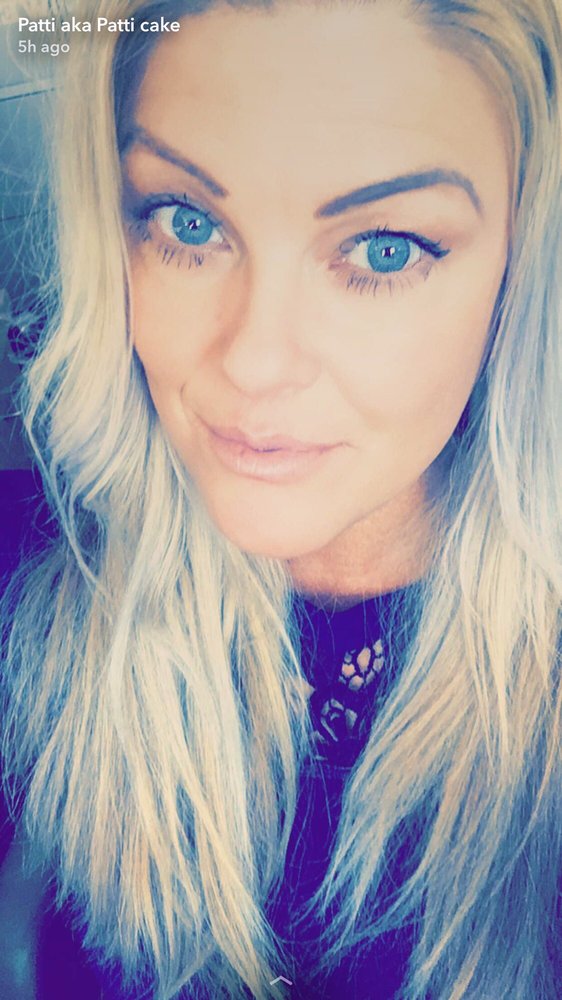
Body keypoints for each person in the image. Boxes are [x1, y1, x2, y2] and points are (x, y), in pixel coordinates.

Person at [1, 0, 560, 997]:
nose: (255, 363)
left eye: (384, 249)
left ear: (520, 273)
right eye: (188, 223)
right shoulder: (27, 580)